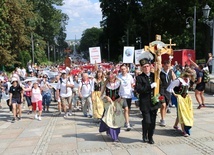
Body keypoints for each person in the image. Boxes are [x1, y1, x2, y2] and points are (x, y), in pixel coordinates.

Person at [135, 58, 160, 144]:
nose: (146, 68)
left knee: (153, 122)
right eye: (144, 67)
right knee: (147, 121)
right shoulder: (139, 78)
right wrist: (150, 86)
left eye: (147, 66)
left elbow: (161, 83)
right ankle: (144, 133)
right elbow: (139, 89)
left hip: (154, 102)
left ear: (150, 66)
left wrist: (158, 66)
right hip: (145, 103)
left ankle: (150, 137)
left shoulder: (154, 76)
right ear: (142, 68)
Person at [99, 71, 125, 142]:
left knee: (117, 118)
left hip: (117, 103)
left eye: (112, 78)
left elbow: (122, 92)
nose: (111, 79)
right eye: (109, 78)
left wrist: (120, 97)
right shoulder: (105, 84)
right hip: (108, 104)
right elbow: (101, 95)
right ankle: (113, 135)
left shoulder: (119, 83)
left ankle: (115, 134)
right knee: (109, 118)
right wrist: (106, 97)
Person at [167, 70, 194, 137]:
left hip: (184, 99)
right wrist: (174, 94)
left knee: (182, 112)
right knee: (181, 113)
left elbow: (186, 89)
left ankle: (175, 125)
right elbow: (170, 88)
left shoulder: (187, 80)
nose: (190, 78)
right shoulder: (178, 81)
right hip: (178, 98)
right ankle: (184, 131)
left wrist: (188, 94)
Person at [117, 64, 135, 131]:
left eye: (124, 69)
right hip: (122, 95)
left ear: (126, 69)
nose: (123, 70)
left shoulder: (130, 76)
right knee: (126, 109)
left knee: (128, 110)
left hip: (129, 95)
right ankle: (128, 124)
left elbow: (132, 84)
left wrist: (134, 87)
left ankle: (125, 120)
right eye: (122, 69)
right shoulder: (118, 77)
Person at [159, 60, 176, 127]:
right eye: (166, 66)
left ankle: (162, 118)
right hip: (161, 91)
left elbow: (174, 80)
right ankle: (163, 120)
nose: (168, 67)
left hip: (168, 91)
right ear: (164, 65)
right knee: (163, 104)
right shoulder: (160, 72)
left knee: (166, 106)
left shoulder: (171, 72)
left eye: (169, 66)